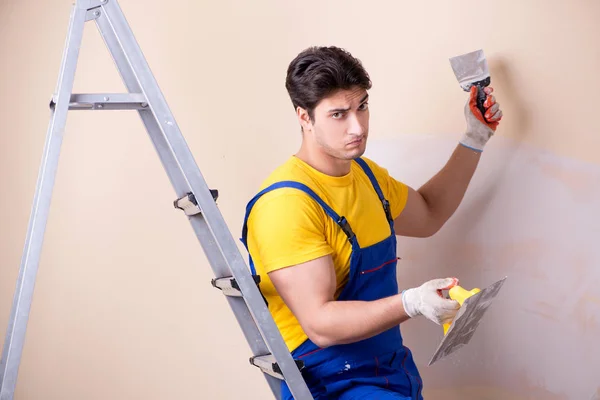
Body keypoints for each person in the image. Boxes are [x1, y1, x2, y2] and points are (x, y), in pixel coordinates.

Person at [240, 46, 503, 400]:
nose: (357, 126)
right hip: (332, 383)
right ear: (304, 117)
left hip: (390, 371)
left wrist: (475, 138)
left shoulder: (366, 176)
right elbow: (319, 324)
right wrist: (411, 302)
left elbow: (428, 213)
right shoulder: (286, 204)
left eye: (361, 106)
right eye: (338, 114)